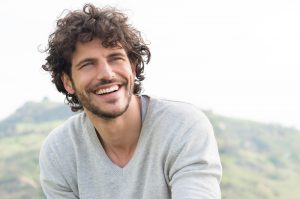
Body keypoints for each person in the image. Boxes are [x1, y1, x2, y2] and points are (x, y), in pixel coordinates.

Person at [39, 3, 222, 199]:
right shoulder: (60, 151)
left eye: (115, 58)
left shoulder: (183, 127)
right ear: (68, 82)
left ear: (133, 68)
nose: (107, 74)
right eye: (88, 64)